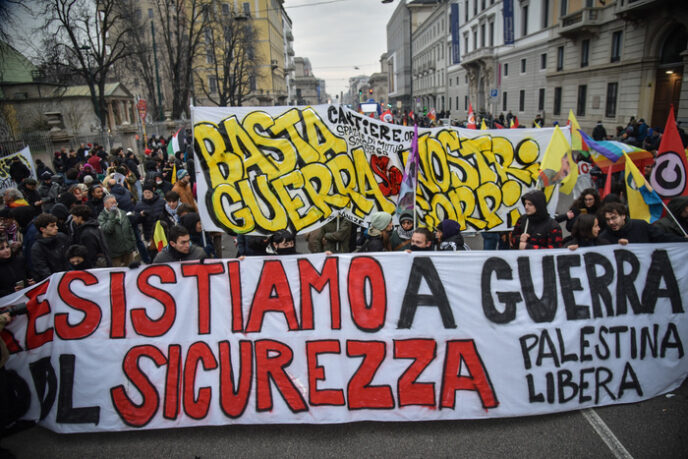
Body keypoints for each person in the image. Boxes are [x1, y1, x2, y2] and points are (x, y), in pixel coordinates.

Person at [598, 202, 687, 244]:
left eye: (614, 218)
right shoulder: (604, 237)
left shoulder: (641, 226)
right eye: (608, 219)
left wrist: (684, 240)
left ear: (623, 216)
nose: (611, 222)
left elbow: (662, 238)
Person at [98, 195, 137, 267]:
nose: (114, 205)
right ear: (105, 205)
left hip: (128, 250)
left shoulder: (122, 213)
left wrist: (133, 245)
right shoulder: (102, 217)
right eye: (111, 203)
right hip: (115, 252)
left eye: (115, 203)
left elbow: (130, 229)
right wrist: (112, 216)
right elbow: (108, 229)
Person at [30, 213, 70, 280]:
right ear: (42, 229)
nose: (56, 228)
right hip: (54, 282)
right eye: (52, 226)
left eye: (56, 225)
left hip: (69, 277)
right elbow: (43, 270)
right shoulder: (37, 248)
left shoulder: (62, 237)